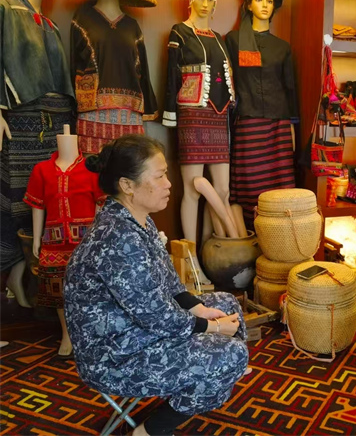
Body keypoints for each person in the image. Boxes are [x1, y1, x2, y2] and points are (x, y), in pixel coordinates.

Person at [63, 135, 249, 436]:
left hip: (137, 331)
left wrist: (203, 311)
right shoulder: (118, 239)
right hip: (116, 357)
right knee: (230, 353)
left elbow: (169, 282)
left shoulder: (137, 219)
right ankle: (149, 431)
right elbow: (158, 317)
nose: (169, 184)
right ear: (127, 185)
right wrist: (213, 328)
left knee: (226, 303)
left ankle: (215, 375)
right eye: (160, 176)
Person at [1, 0, 76, 308]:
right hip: (21, 119)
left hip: (57, 121)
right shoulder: (5, 8)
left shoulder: (50, 24)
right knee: (18, 203)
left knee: (51, 200)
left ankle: (42, 285)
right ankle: (15, 277)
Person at [163, 0, 235, 261]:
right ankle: (190, 258)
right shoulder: (179, 32)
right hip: (192, 114)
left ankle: (209, 250)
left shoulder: (219, 38)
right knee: (193, 188)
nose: (205, 4)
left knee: (222, 190)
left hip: (219, 114)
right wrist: (170, 113)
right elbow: (172, 75)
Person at [24, 125, 104, 358]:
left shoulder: (91, 168)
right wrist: (37, 239)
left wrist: (98, 238)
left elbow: (100, 205)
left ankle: (89, 334)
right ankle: (67, 333)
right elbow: (37, 206)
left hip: (85, 242)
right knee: (59, 291)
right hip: (53, 241)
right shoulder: (42, 170)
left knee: (90, 289)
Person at [225, 0, 298, 228]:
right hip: (248, 119)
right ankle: (250, 232)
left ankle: (280, 233)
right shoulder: (234, 40)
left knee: (281, 183)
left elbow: (290, 87)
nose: (265, 5)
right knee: (249, 182)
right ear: (248, 4)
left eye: (269, 1)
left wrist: (293, 124)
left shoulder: (282, 47)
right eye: (259, 0)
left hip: (279, 123)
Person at [62, 0, 158, 154]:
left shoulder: (132, 26)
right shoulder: (82, 18)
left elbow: (142, 68)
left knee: (128, 165)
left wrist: (149, 107)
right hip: (92, 113)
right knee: (92, 166)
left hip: (129, 115)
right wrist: (70, 106)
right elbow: (74, 63)